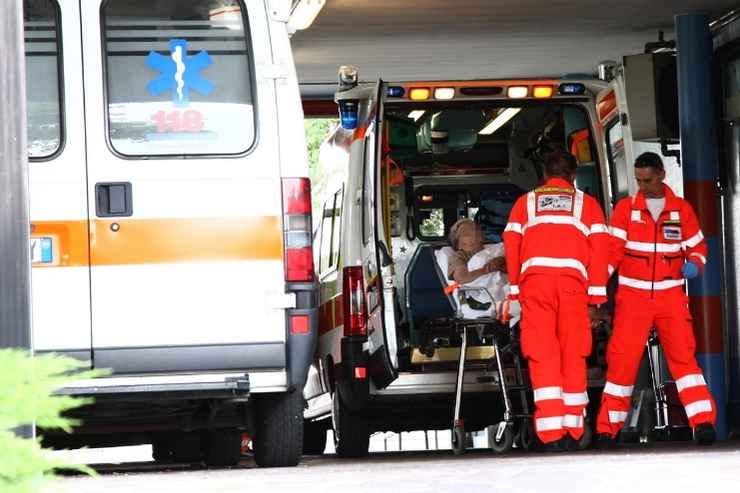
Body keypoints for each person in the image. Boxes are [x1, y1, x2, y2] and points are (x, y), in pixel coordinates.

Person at [595, 152, 716, 447]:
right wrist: (596, 287)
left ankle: (702, 423)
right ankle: (608, 429)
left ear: (661, 174)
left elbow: (698, 247)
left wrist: (695, 264)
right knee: (621, 364)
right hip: (632, 299)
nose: (642, 186)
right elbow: (612, 252)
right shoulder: (625, 209)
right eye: (638, 180)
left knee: (684, 361)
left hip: (670, 297)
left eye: (647, 180)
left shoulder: (681, 210)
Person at [503, 151, 609, 450]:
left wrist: (514, 290)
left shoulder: (525, 204)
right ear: (573, 176)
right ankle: (573, 429)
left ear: (545, 176)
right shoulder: (586, 205)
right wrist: (597, 296)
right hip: (573, 289)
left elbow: (512, 245)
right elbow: (600, 248)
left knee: (542, 354)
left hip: (535, 287)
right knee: (573, 354)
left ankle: (551, 433)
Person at [447, 218, 506, 284]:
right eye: (467, 233)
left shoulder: (495, 248)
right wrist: (486, 269)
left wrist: (502, 261)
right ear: (459, 244)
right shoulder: (457, 256)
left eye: (476, 228)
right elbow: (462, 278)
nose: (474, 232)